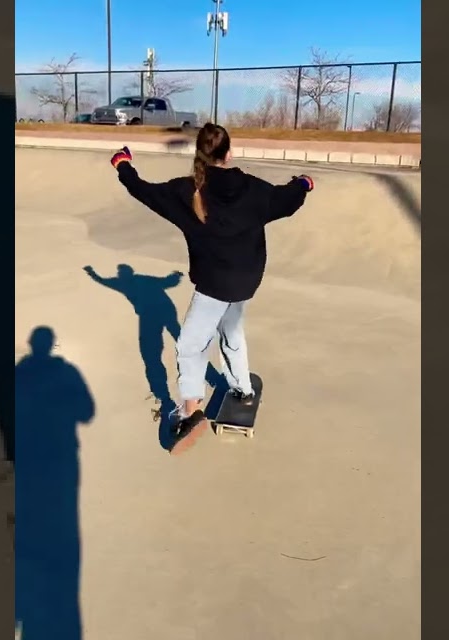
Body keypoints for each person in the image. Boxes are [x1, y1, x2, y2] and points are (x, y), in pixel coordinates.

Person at [110, 123, 314, 454]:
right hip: (248, 279)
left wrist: (123, 165)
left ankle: (190, 412)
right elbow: (287, 201)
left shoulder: (185, 192)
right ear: (229, 153)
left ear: (199, 155)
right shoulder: (253, 189)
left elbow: (143, 191)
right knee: (231, 329)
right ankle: (243, 388)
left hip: (215, 284)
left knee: (190, 345)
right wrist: (302, 184)